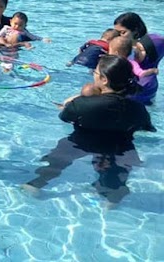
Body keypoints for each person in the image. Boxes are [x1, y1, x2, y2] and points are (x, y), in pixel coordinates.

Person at [25, 56, 155, 204]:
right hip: (120, 147)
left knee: (57, 161)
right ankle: (112, 200)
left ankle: (36, 185)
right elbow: (146, 127)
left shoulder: (83, 104)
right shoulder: (138, 108)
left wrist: (74, 101)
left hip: (81, 142)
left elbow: (65, 117)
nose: (93, 73)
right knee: (117, 176)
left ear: (104, 79)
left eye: (96, 72)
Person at [113, 12, 164, 105]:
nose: (117, 36)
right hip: (148, 89)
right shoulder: (119, 47)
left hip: (138, 91)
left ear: (135, 31)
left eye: (122, 32)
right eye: (116, 33)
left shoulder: (153, 43)